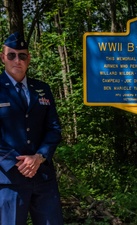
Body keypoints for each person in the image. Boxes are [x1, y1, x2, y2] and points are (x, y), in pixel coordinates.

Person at [0, 32, 63, 224]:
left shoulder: (42, 89)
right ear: (3, 57)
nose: (17, 60)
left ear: (29, 58)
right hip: (9, 178)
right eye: (11, 55)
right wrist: (17, 162)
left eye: (22, 55)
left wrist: (39, 156)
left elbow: (53, 128)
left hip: (43, 175)